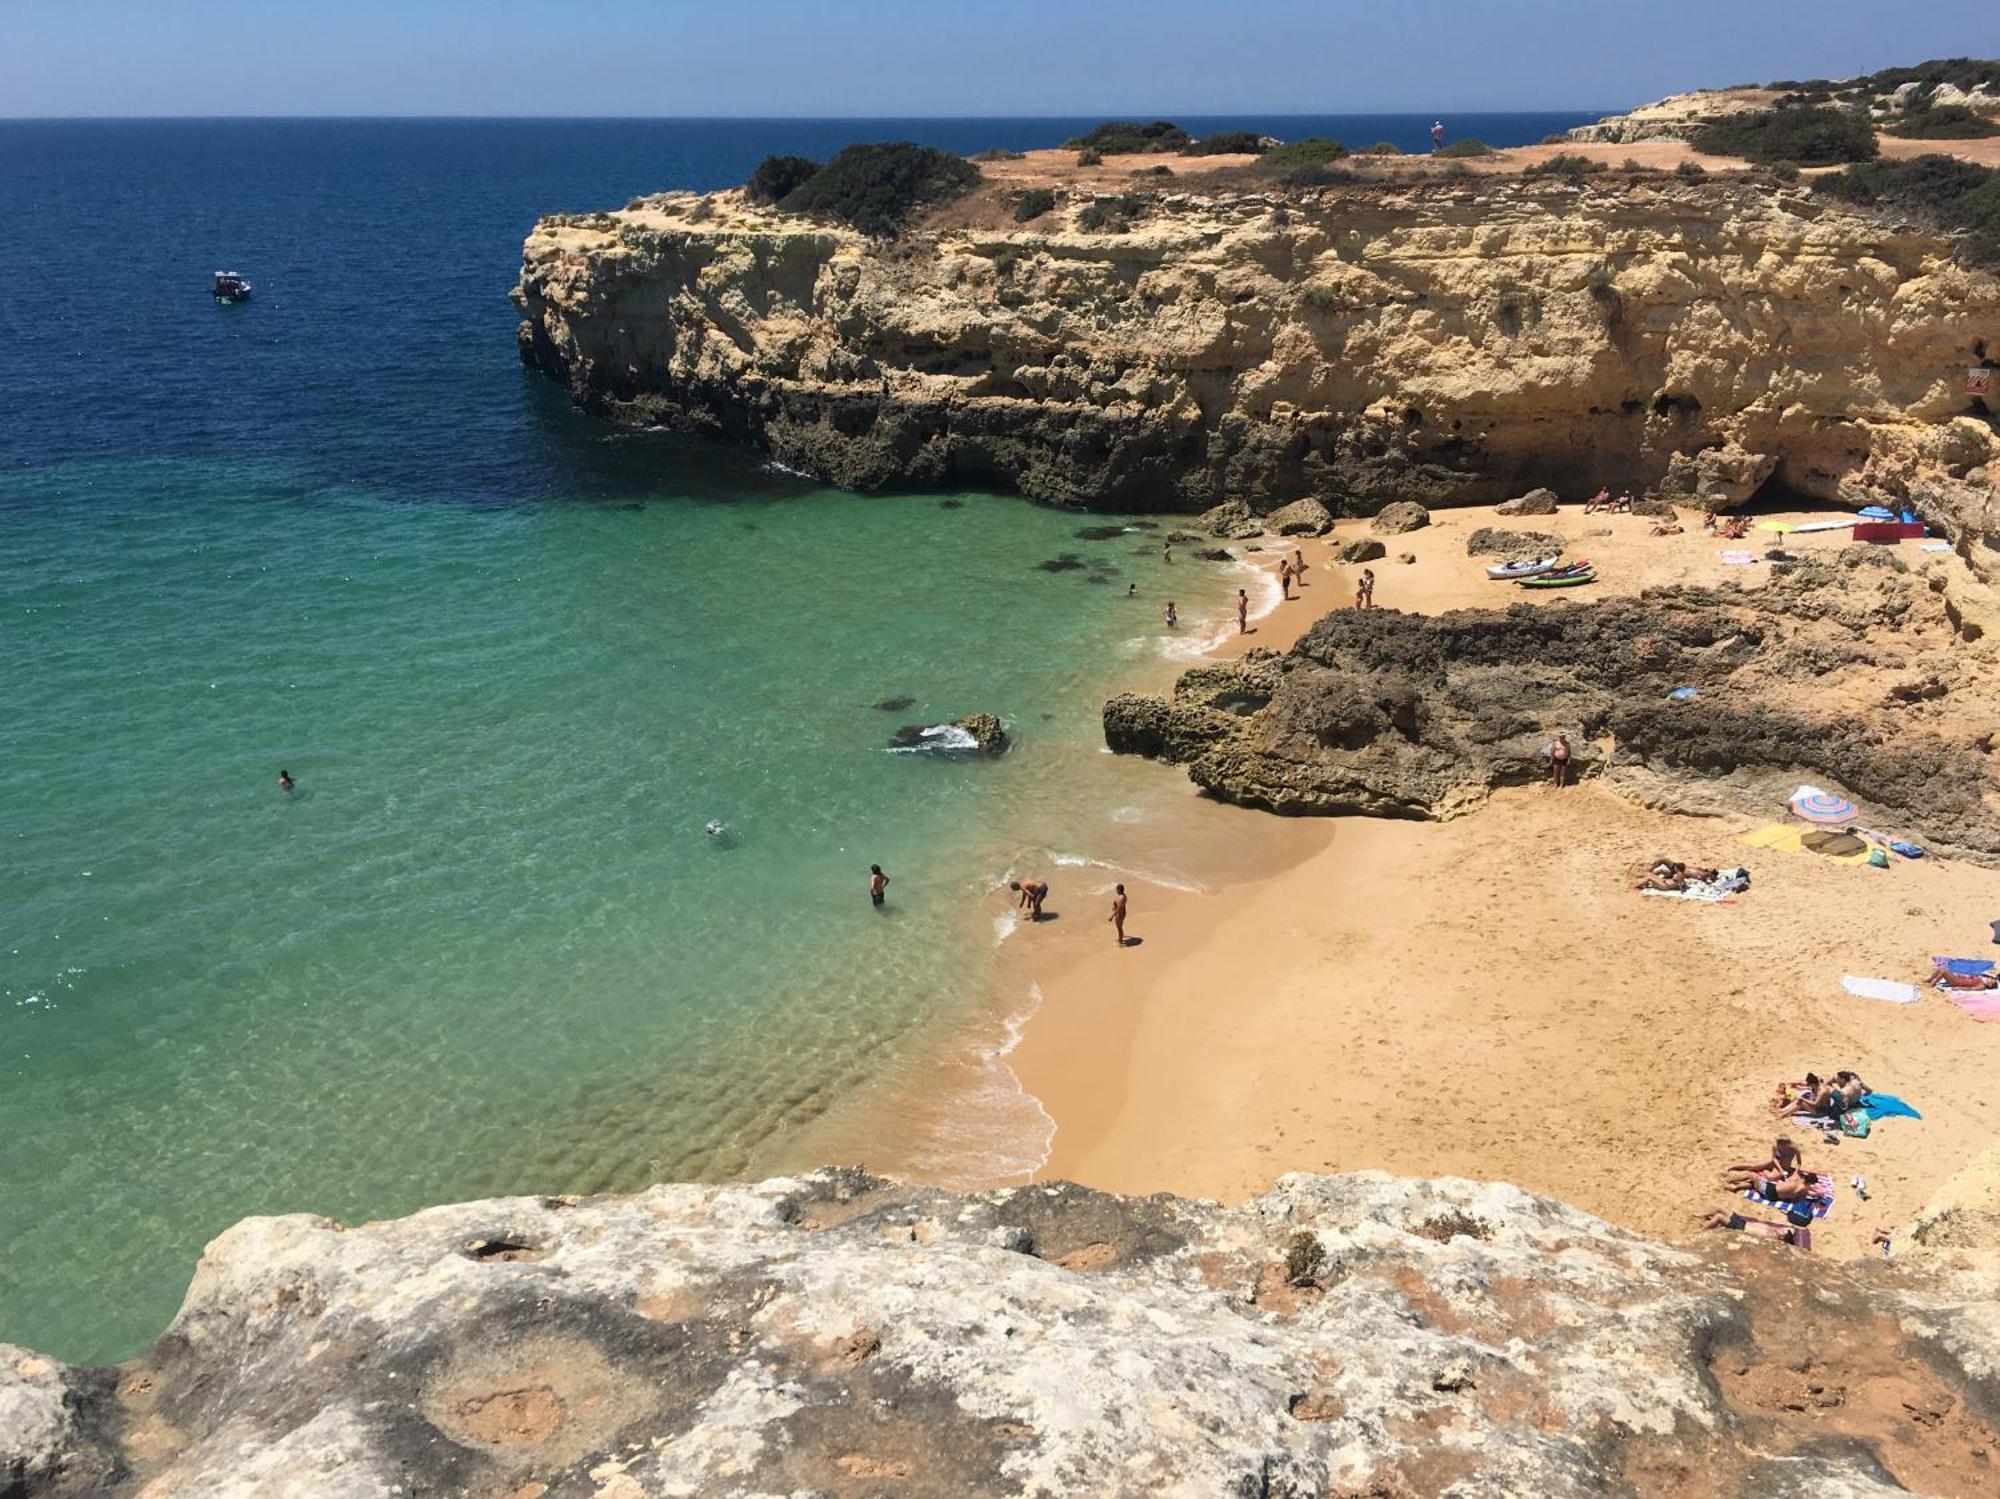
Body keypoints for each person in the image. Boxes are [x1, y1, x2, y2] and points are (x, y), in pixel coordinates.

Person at [1692, 1210, 1812, 1250]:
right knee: (1720, 1209)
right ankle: (1701, 1215)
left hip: (1740, 1227)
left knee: (1719, 1217)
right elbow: (1795, 1230)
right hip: (1742, 1221)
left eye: (1783, 1232)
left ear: (1782, 1237)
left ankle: (1701, 1230)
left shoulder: (1771, 1236)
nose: (1782, 1229)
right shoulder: (1775, 1229)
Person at [1721, 1137, 1803, 1192]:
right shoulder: (1775, 1146)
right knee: (1753, 1166)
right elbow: (1774, 1158)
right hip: (1775, 1163)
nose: (1778, 1147)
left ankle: (1762, 1172)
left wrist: (1796, 1171)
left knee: (1771, 1177)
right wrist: (1780, 1169)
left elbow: (1799, 1162)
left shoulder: (1794, 1149)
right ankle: (1731, 1167)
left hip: (1785, 1167)